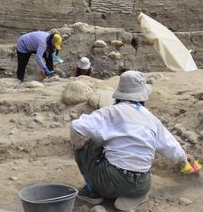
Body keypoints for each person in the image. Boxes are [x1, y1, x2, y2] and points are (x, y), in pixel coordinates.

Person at [69, 70, 193, 210]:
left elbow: (76, 127)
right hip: (142, 184)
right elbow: (170, 145)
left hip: (110, 182)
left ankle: (93, 193)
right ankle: (135, 196)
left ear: (120, 93)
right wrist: (184, 159)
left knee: (91, 144)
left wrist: (79, 145)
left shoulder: (111, 111)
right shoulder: (152, 119)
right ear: (142, 96)